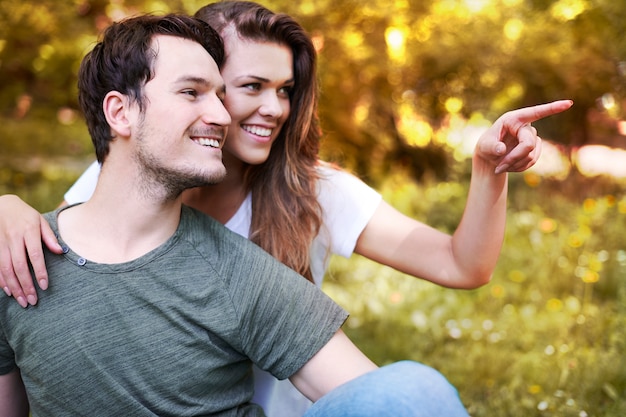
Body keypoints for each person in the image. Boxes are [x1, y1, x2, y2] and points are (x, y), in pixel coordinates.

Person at [0, 1, 573, 415]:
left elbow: (461, 266)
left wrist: (487, 172)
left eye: (286, 89)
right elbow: (79, 256)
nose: (273, 107)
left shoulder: (311, 193)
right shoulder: (122, 176)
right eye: (245, 86)